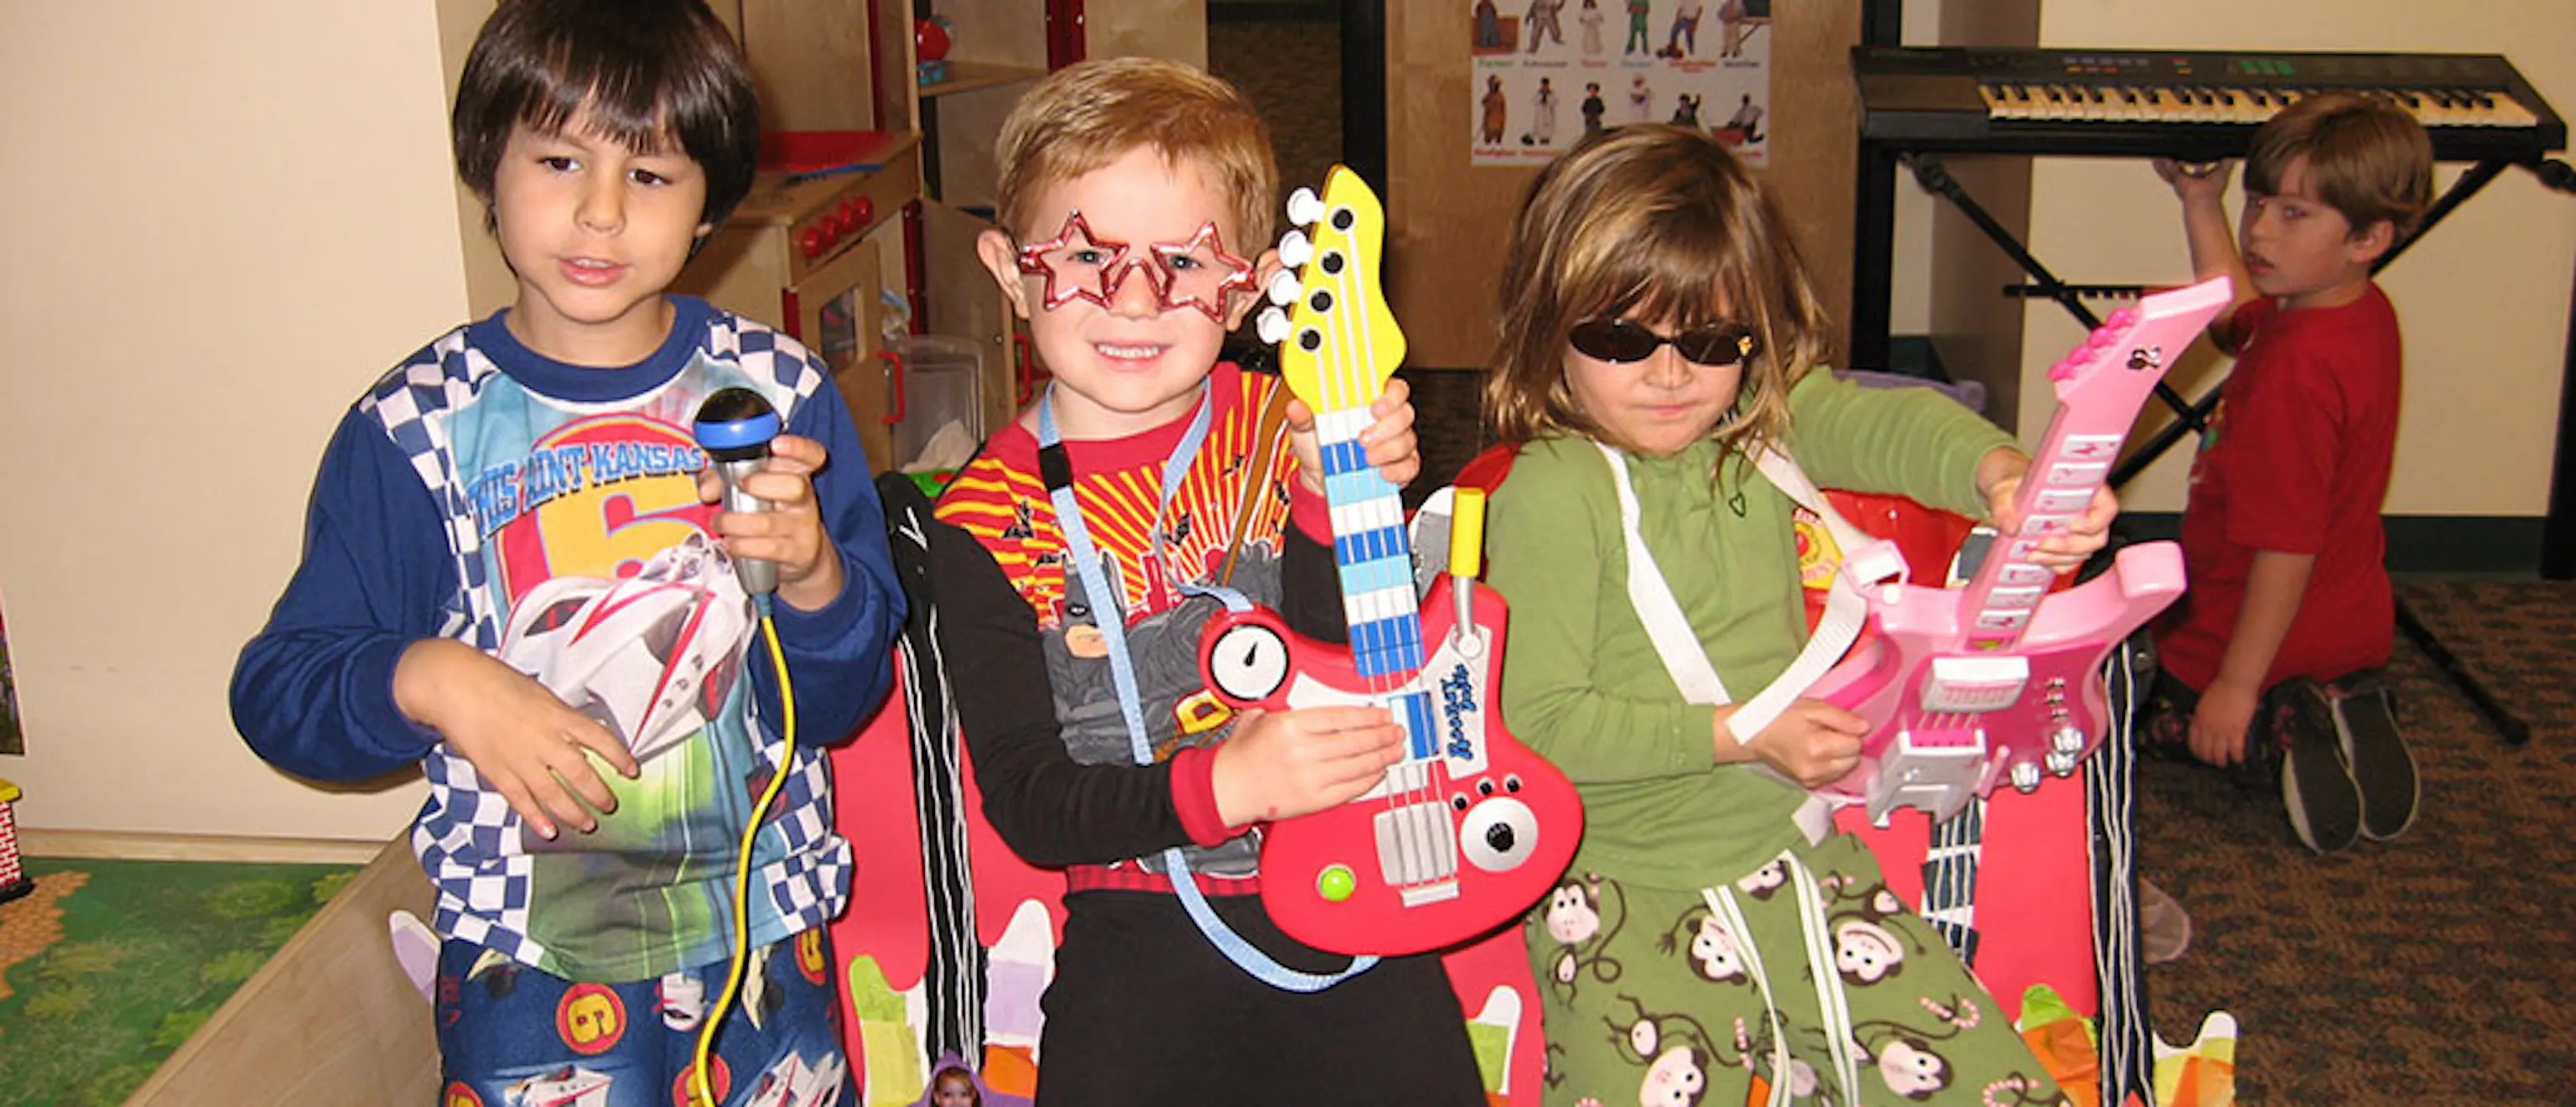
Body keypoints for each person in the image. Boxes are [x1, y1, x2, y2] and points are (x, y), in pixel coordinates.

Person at [227, 1, 905, 1101]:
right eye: (557, 161)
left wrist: (818, 579)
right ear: (486, 165)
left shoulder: (777, 395)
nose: (600, 212)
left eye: (650, 174)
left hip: (766, 934)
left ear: (709, 203)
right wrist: (432, 677)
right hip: (526, 956)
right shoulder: (418, 427)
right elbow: (278, 691)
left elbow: (839, 702)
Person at [1480, 124, 2100, 1105]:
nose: (1671, 375)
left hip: (1792, 849)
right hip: (1619, 887)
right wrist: (1742, 735)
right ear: (1547, 327)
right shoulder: (1553, 495)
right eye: (1621, 338)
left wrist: (2003, 477)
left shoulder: (1752, 424)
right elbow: (1540, 725)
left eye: (1712, 341)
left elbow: (1888, 424)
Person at [928, 58, 1486, 1104]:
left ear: (1252, 282)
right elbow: (1031, 802)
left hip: (1356, 895)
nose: (1136, 300)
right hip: (1137, 934)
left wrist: (1335, 496)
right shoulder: (983, 522)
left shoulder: (1293, 420)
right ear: (1008, 267)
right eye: (1086, 255)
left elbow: (1367, 666)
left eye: (1184, 262)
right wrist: (1226, 788)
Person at [2145, 92, 2433, 854]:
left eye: (2295, 214)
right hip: (2350, 620)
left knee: (2148, 710)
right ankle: (2347, 695)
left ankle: (2278, 726)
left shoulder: (2294, 373)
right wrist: (2200, 200)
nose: (2261, 230)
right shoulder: (2354, 311)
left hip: (2245, 629)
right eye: (2258, 202)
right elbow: (2233, 313)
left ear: (2369, 237)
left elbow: (2285, 546)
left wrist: (2234, 687)